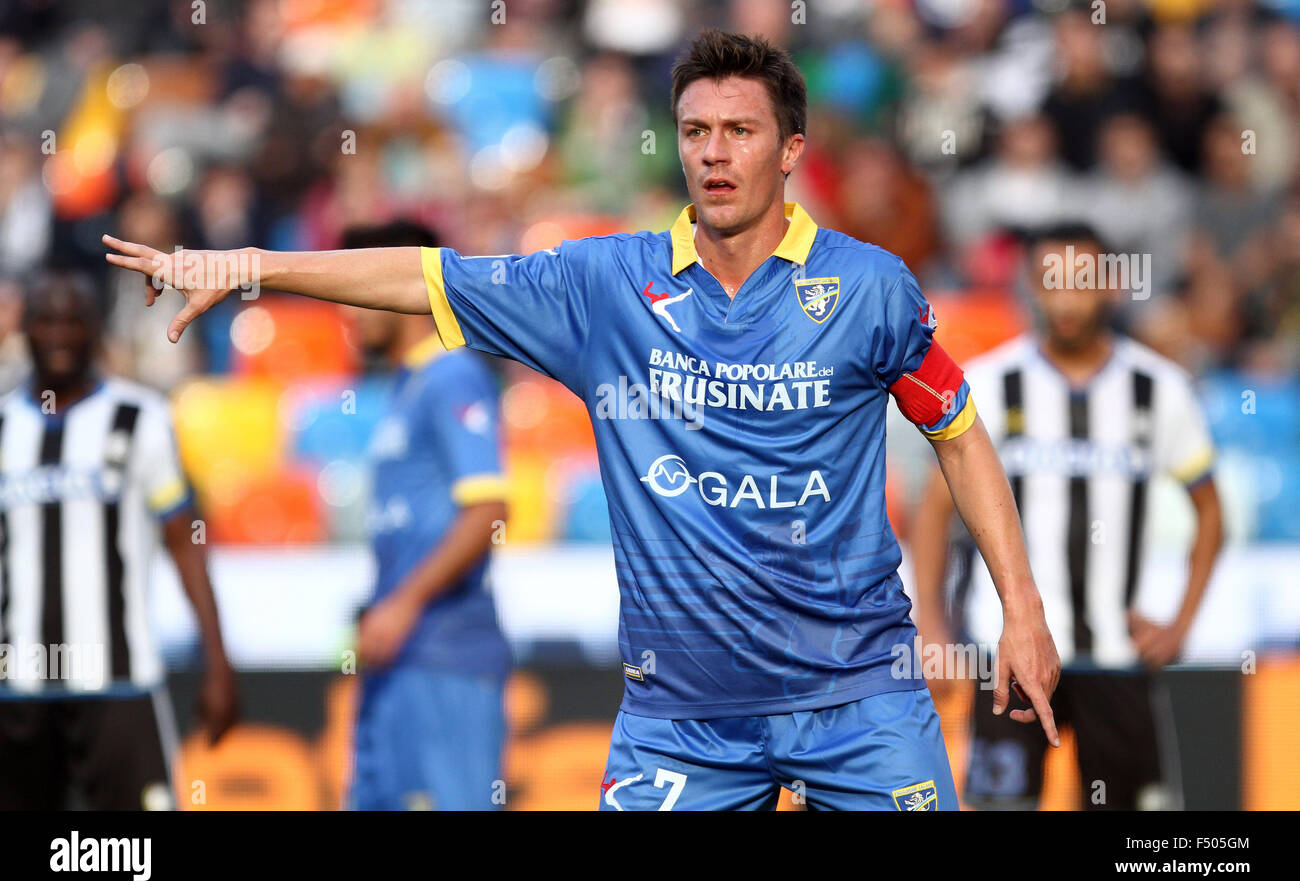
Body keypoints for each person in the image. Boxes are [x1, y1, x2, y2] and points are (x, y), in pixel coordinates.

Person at [102, 29, 1059, 811]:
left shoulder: (869, 288)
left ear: (792, 149)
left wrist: (1021, 610)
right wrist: (248, 268)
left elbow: (960, 433)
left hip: (858, 695)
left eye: (739, 130)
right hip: (684, 715)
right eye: (694, 132)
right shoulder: (602, 284)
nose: (714, 153)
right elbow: (424, 274)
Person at [911, 223, 1224, 810]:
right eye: (1053, 281)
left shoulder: (1158, 390)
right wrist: (932, 625)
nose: (1067, 298)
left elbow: (1211, 512)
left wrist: (1181, 623)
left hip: (1116, 658)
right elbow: (933, 511)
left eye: (1082, 281)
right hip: (1004, 653)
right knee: (1001, 807)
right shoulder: (990, 385)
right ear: (1031, 285)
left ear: (1110, 286)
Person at [0, 271, 237, 810]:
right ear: (26, 330)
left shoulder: (140, 419)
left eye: (74, 320)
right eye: (46, 320)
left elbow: (184, 544)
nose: (60, 334)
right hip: (17, 689)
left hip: (120, 681)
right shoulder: (2, 426)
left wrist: (219, 664)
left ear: (96, 328)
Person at [341, 221, 510, 811]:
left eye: (358, 285)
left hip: (445, 655)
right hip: (399, 656)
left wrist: (404, 603)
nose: (348, 306)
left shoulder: (452, 374)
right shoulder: (407, 386)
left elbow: (489, 510)